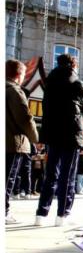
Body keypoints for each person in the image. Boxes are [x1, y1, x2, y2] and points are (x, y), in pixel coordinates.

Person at [34, 54, 83, 227]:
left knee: (50, 174)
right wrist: (80, 108)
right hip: (71, 133)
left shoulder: (49, 83)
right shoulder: (77, 83)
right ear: (74, 66)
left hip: (52, 134)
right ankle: (62, 215)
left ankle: (41, 214)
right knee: (67, 175)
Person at [6, 60, 39, 225]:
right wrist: (35, 138)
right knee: (7, 179)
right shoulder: (14, 91)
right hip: (13, 142)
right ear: (19, 75)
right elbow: (25, 118)